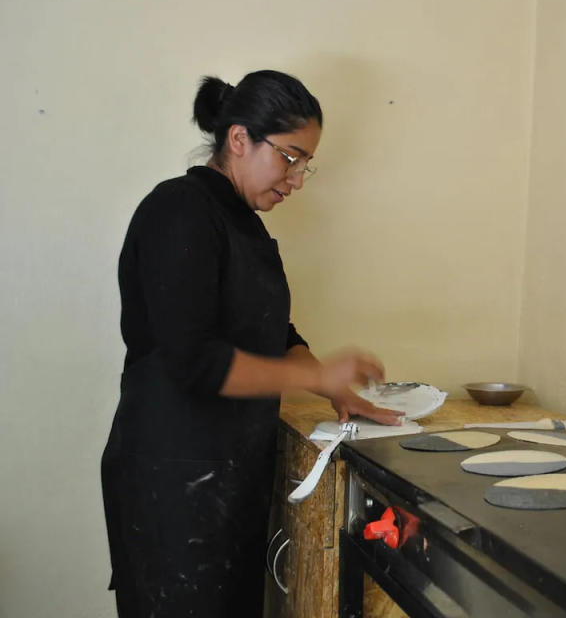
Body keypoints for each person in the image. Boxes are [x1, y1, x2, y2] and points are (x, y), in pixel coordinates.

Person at [101, 70, 401, 617]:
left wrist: (336, 391)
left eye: (306, 162)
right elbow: (195, 361)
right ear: (238, 139)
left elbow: (279, 336)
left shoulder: (247, 226)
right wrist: (316, 376)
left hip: (229, 480)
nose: (298, 179)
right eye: (290, 157)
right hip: (171, 484)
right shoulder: (180, 209)